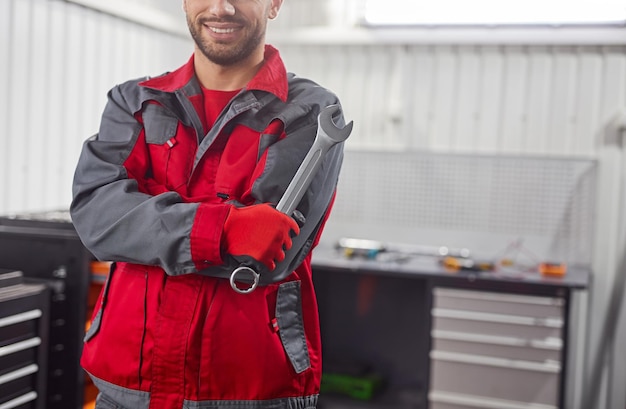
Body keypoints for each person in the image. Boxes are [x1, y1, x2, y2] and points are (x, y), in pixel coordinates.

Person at [70, 0, 347, 408]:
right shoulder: (135, 101)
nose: (221, 7)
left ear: (274, 4)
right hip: (128, 383)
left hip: (249, 387)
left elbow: (265, 253)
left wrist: (146, 228)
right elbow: (97, 216)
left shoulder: (309, 112)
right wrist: (225, 228)